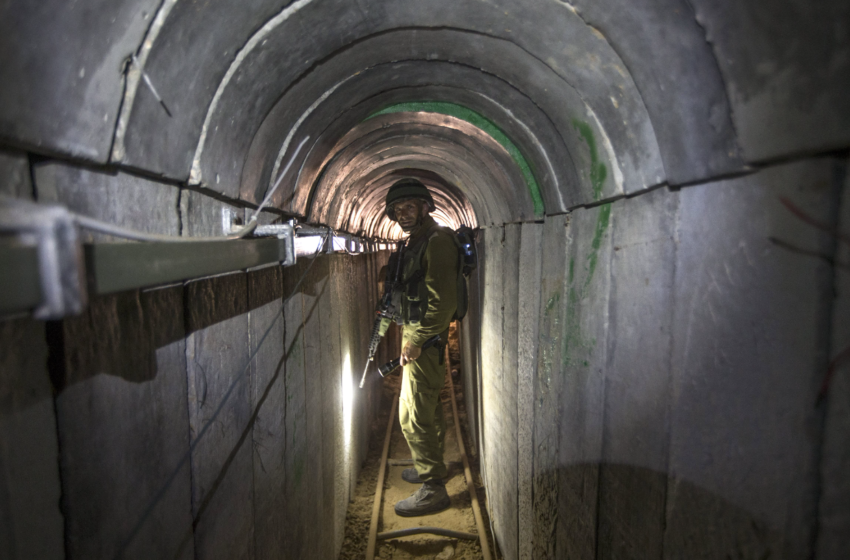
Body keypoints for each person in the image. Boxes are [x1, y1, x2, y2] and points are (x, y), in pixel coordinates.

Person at [385, 178, 459, 517]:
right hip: (417, 333)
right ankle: (431, 466)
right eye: (397, 210)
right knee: (423, 407)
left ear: (425, 206)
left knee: (413, 414)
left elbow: (443, 303)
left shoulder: (437, 241)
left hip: (425, 337)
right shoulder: (417, 240)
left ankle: (433, 487)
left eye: (409, 207)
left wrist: (416, 341)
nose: (403, 214)